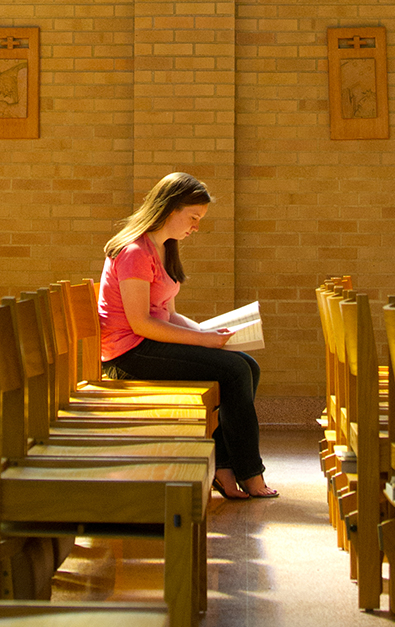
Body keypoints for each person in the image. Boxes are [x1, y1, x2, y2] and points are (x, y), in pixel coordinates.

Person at [97, 172, 277, 499]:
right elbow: (140, 323)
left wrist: (209, 332)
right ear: (169, 209)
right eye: (193, 218)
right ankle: (249, 473)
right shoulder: (134, 251)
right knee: (234, 370)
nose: (195, 227)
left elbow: (168, 314)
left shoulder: (163, 248)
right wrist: (205, 341)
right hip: (128, 355)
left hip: (147, 345)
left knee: (248, 366)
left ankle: (223, 466)